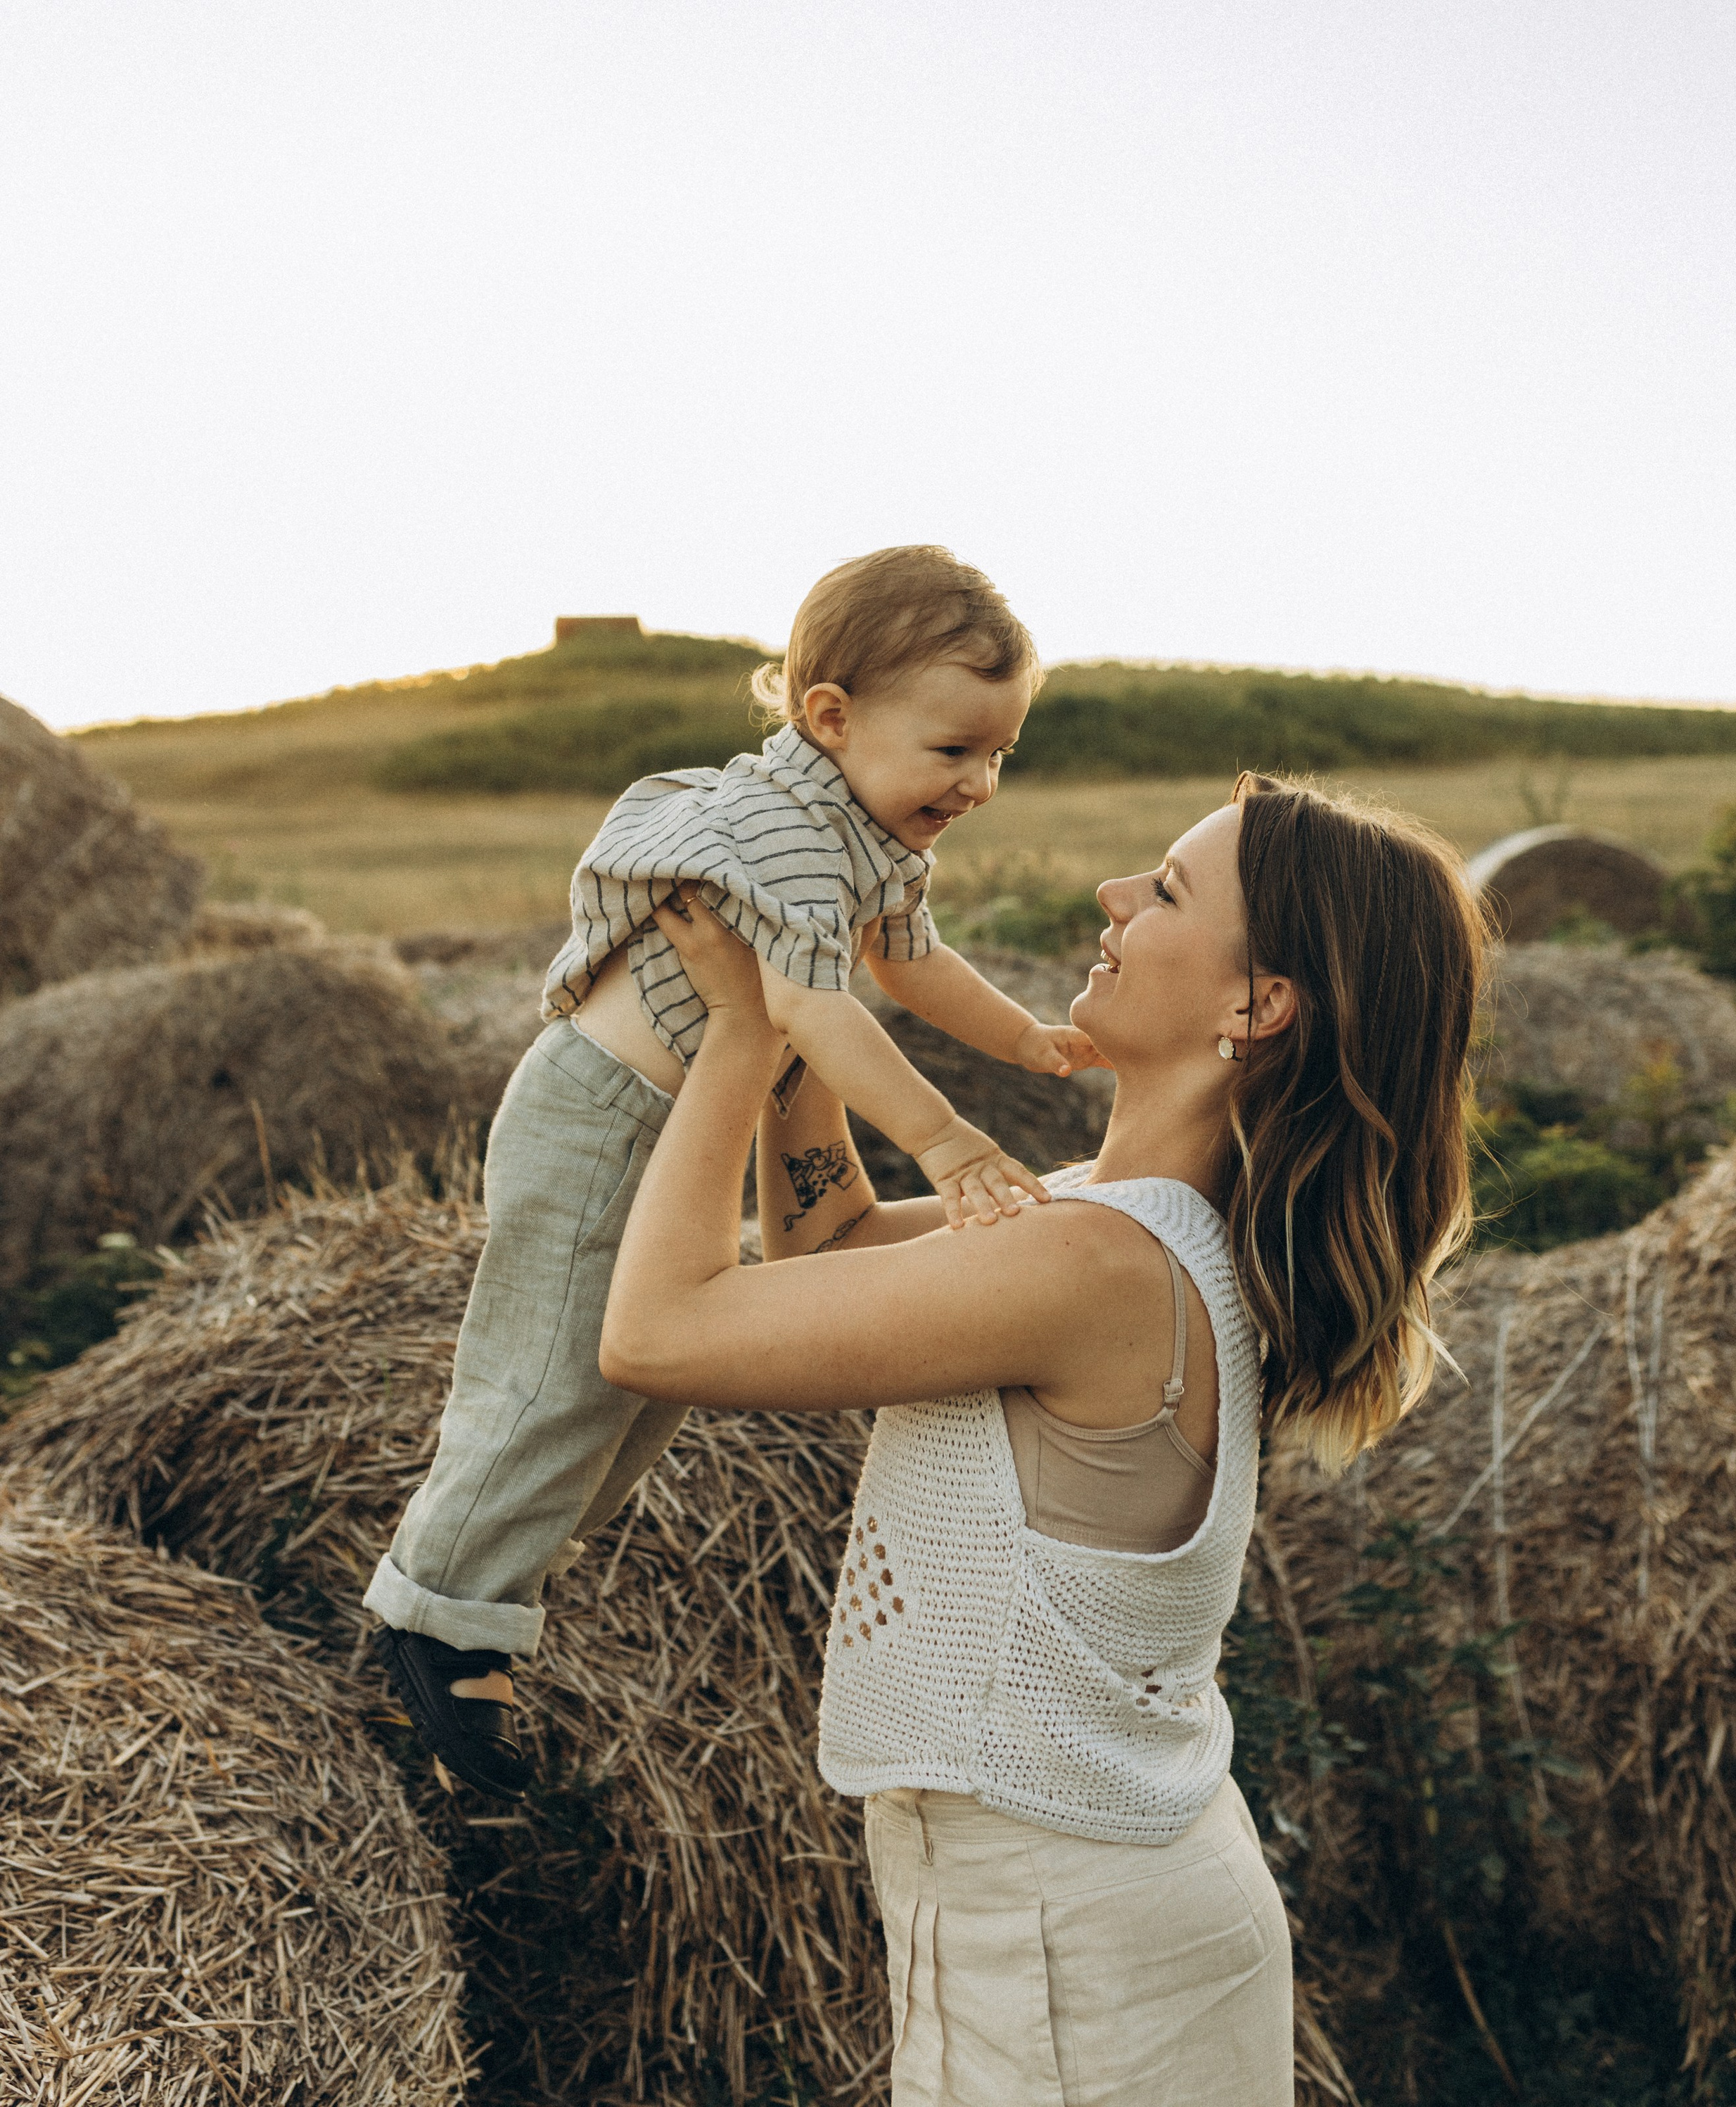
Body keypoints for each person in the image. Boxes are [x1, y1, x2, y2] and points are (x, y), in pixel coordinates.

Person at [600, 772, 1488, 2107]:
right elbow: (830, 1240)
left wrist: (738, 1029)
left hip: (1072, 1950)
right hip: (1098, 1907)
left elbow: (660, 1333)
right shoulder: (1107, 1217)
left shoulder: (1097, 1264)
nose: (1113, 897)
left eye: (1169, 889)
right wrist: (809, 1004)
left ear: (1258, 1007)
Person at [364, 547, 1100, 1797]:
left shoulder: (867, 833)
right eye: (954, 751)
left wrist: (1023, 1037)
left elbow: (912, 964)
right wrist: (946, 1141)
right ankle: (433, 1623)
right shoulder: (780, 828)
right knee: (549, 1372)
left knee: (655, 1388)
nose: (978, 782)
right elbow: (815, 1010)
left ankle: (502, 1580)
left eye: (1000, 757)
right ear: (831, 717)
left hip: (682, 1120)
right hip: (601, 1117)